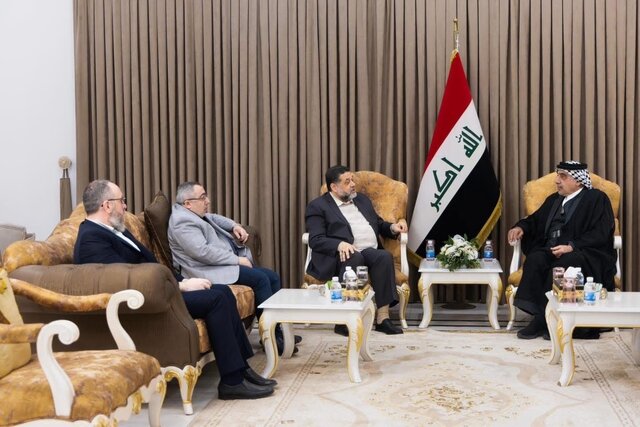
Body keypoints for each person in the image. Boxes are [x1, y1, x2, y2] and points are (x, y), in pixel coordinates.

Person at [74, 179, 275, 400]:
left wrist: (184, 280)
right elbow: (122, 280)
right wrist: (181, 286)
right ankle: (232, 382)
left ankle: (241, 370)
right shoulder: (91, 239)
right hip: (147, 300)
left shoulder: (115, 229)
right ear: (106, 205)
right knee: (216, 300)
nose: (125, 206)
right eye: (122, 201)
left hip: (160, 289)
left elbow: (149, 266)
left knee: (223, 293)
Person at [167, 181, 300, 352]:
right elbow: (202, 252)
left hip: (216, 266)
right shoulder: (181, 223)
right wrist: (236, 260)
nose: (207, 201)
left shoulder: (191, 213)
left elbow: (214, 217)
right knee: (261, 279)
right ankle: (271, 339)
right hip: (205, 270)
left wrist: (234, 226)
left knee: (272, 277)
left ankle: (277, 333)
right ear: (188, 203)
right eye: (203, 197)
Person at [508, 161, 617, 340]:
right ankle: (540, 316)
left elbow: (601, 231)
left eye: (563, 177)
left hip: (585, 252)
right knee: (536, 258)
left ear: (579, 181)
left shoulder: (596, 198)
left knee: (566, 263)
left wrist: (572, 246)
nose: (557, 181)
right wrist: (520, 227)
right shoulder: (554, 199)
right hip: (552, 249)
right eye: (558, 176)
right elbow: (534, 220)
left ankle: (551, 320)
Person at [305, 165, 406, 335]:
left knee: (383, 257)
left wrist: (393, 228)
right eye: (347, 182)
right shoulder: (318, 206)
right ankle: (343, 320)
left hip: (368, 250)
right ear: (334, 187)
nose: (353, 184)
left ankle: (383, 318)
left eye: (352, 180)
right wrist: (339, 245)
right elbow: (316, 239)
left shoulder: (361, 200)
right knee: (354, 257)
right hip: (339, 256)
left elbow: (378, 223)